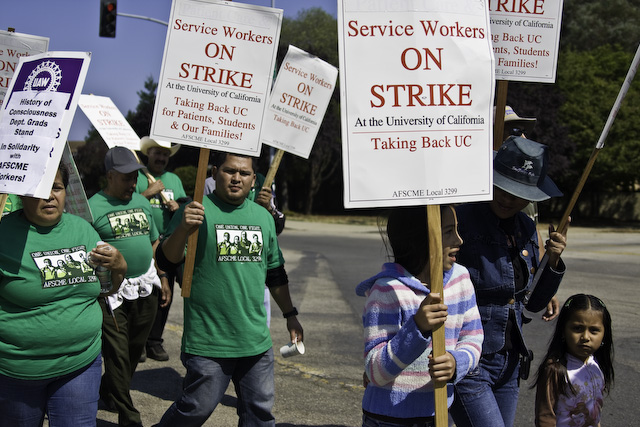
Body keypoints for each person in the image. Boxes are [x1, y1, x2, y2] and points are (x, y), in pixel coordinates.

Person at [154, 151, 303, 426]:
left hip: (255, 342)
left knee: (259, 415)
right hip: (208, 341)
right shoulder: (195, 211)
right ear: (214, 173)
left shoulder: (263, 217)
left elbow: (275, 273)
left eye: (244, 173)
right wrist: (183, 229)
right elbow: (166, 260)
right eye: (229, 171)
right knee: (195, 409)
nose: (237, 178)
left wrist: (290, 315)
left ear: (253, 180)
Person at [450, 136, 569, 427]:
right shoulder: (458, 220)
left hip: (511, 360)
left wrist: (552, 260)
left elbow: (534, 302)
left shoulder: (526, 227)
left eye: (517, 193)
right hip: (469, 357)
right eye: (501, 187)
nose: (506, 198)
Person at [0, 163, 126, 427]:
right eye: (40, 190)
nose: (50, 196)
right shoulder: (3, 234)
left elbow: (105, 290)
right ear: (21, 194)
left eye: (56, 187)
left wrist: (119, 268)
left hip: (81, 362)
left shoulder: (83, 229)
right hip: (18, 372)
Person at [356, 205, 483, 426]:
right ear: (420, 238)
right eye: (448, 231)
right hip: (387, 419)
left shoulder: (461, 279)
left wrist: (456, 362)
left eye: (457, 229)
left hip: (439, 414)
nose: (459, 240)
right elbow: (375, 372)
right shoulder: (386, 290)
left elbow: (473, 337)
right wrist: (417, 327)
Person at [89, 146, 168, 427]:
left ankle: (107, 390)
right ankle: (129, 417)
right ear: (110, 176)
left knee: (134, 350)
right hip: (111, 293)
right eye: (126, 178)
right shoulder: (92, 207)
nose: (133, 183)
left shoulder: (142, 203)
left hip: (145, 286)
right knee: (118, 355)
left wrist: (162, 276)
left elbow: (154, 240)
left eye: (135, 177)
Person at [136, 136, 187, 362]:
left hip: (169, 244)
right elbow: (128, 204)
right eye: (157, 153)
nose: (161, 158)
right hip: (144, 242)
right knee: (145, 294)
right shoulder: (138, 177)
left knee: (166, 295)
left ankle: (154, 342)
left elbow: (185, 205)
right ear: (148, 154)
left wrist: (178, 206)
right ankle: (138, 343)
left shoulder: (173, 179)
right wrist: (149, 192)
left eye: (165, 154)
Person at [533, 294, 614, 427]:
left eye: (594, 330)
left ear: (604, 334)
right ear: (563, 331)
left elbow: (595, 412)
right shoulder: (555, 369)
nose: (585, 337)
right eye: (577, 328)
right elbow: (545, 416)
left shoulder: (596, 366)